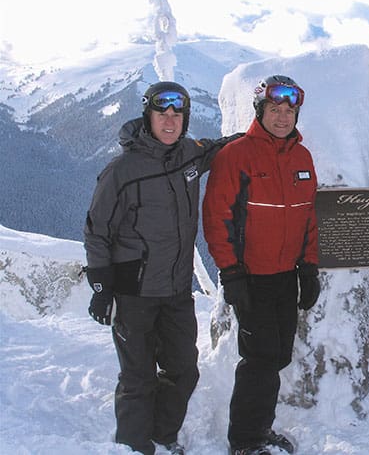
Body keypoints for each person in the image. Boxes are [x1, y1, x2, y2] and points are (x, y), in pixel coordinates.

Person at [83, 81, 240, 455]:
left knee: (183, 370)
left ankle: (162, 436)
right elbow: (97, 229)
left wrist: (257, 134)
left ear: (184, 120)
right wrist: (102, 289)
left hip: (176, 292)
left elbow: (217, 148)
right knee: (137, 378)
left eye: (177, 114)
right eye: (162, 113)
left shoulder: (189, 154)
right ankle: (135, 447)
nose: (169, 121)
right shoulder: (122, 170)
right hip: (134, 292)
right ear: (148, 116)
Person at [202, 75, 321, 455]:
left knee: (279, 355)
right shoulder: (236, 155)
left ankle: (259, 427)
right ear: (261, 111)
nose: (283, 117)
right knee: (259, 358)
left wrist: (309, 267)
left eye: (289, 111)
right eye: (275, 110)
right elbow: (216, 217)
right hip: (251, 276)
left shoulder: (302, 157)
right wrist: (231, 272)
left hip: (287, 275)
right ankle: (244, 441)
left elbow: (308, 218)